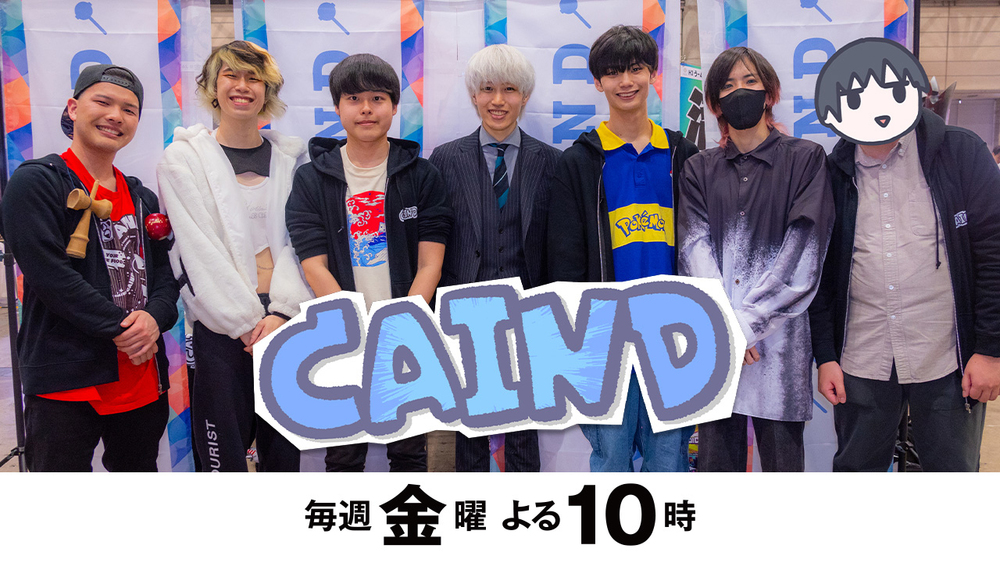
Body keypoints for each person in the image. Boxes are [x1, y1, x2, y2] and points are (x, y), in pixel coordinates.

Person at [811, 37, 1000, 471]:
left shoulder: (960, 152)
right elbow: (819, 273)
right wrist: (826, 356)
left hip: (948, 358)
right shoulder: (831, 174)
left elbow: (993, 253)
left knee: (951, 476)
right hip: (862, 357)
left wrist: (990, 349)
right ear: (835, 111)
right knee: (857, 476)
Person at [0, 65, 179, 471]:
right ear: (73, 108)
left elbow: (166, 278)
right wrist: (126, 329)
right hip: (66, 380)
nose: (116, 116)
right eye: (103, 102)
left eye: (129, 109)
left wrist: (154, 319)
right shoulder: (37, 182)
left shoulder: (142, 197)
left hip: (141, 377)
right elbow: (51, 277)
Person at [286, 53, 452, 472]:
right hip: (342, 336)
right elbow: (313, 265)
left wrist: (400, 326)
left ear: (394, 106)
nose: (366, 109)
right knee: (343, 454)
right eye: (353, 99)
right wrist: (355, 330)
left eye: (377, 98)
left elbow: (430, 264)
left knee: (410, 452)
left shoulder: (422, 175)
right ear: (337, 107)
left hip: (407, 334)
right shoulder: (311, 179)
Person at [547, 26, 699, 472]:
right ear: (598, 82)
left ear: (653, 74)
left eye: (636, 69)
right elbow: (565, 257)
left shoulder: (683, 155)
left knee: (669, 458)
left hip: (673, 336)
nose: (626, 81)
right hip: (606, 338)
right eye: (613, 73)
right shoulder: (579, 161)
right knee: (610, 456)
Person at [676, 47, 833, 472]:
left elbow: (804, 253)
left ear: (770, 94)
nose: (739, 92)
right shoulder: (698, 169)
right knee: (716, 468)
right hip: (716, 349)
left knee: (783, 476)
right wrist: (726, 328)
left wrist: (744, 327)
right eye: (728, 86)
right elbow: (693, 250)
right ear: (714, 103)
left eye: (750, 82)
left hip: (779, 350)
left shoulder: (806, 159)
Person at [157, 40, 311, 472]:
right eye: (231, 75)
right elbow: (194, 250)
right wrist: (243, 323)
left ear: (268, 91)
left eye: (254, 78)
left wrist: (281, 312)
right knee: (221, 458)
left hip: (285, 322)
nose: (242, 86)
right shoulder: (183, 159)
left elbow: (303, 242)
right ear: (212, 86)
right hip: (220, 327)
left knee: (285, 454)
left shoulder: (294, 159)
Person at [428, 44, 560, 472]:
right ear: (473, 95)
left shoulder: (552, 162)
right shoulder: (445, 159)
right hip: (464, 310)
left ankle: (523, 508)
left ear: (525, 96)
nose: (498, 100)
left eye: (509, 90)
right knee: (469, 426)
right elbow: (432, 239)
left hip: (529, 310)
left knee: (524, 426)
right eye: (487, 89)